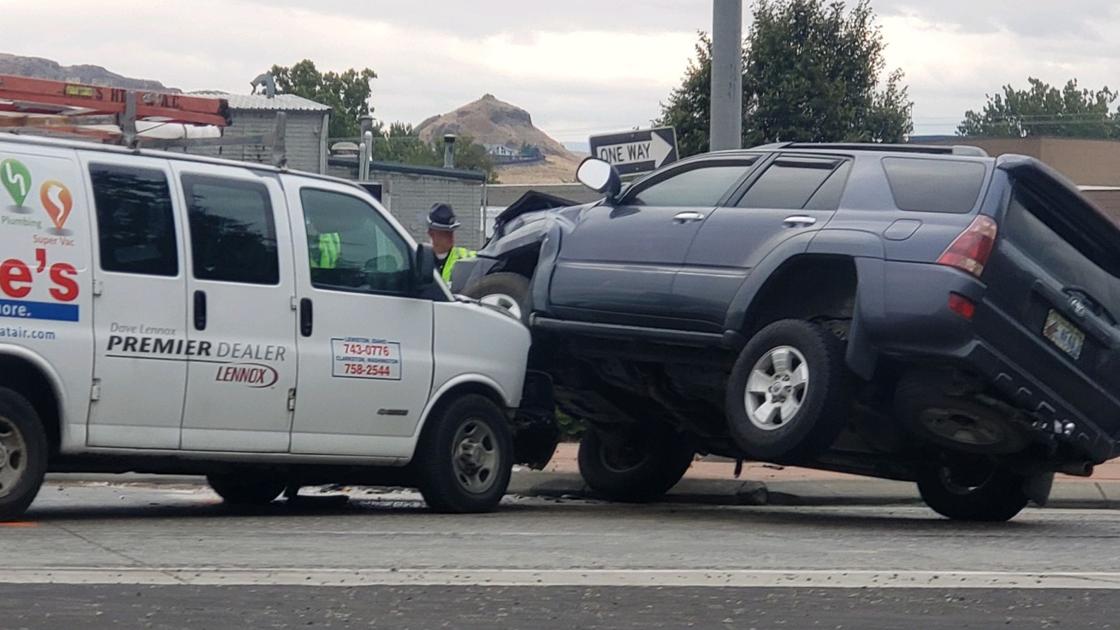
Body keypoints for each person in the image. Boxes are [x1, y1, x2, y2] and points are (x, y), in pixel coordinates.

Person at [427, 203, 475, 283]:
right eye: (445, 233)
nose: (450, 237)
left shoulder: (466, 258)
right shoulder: (422, 261)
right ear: (431, 234)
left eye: (451, 232)